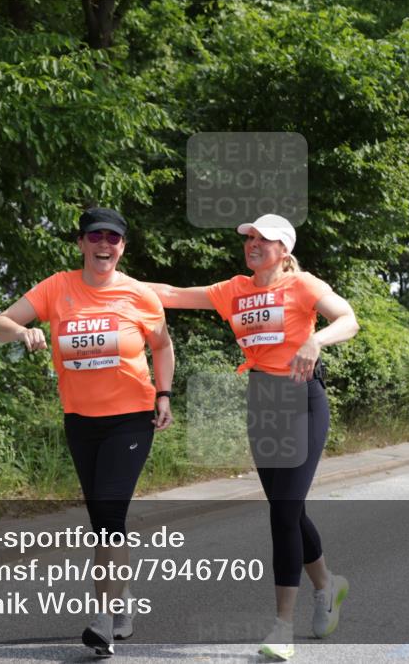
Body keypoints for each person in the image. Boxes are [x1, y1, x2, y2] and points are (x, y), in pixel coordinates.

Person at [146, 214, 359, 661]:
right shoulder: (233, 290)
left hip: (303, 401)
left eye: (264, 239)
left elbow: (348, 319)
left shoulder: (302, 286)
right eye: (250, 238)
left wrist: (315, 341)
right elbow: (169, 295)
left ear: (283, 250)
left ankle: (282, 627)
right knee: (288, 509)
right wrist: (110, 279)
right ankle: (327, 585)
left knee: (283, 512)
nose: (254, 244)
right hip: (262, 402)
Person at [0, 208, 174, 657]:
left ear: (122, 247)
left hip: (131, 418)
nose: (104, 245)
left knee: (109, 518)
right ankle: (123, 601)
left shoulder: (139, 295)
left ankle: (102, 620)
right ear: (82, 244)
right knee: (103, 523)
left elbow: (163, 346)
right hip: (80, 421)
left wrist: (164, 394)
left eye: (113, 238)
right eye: (95, 237)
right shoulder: (58, 287)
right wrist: (22, 332)